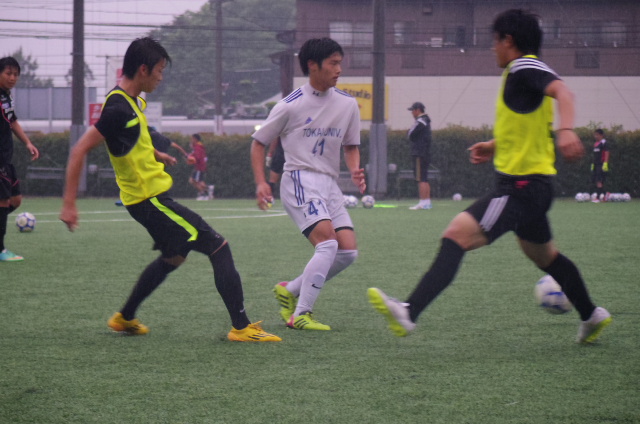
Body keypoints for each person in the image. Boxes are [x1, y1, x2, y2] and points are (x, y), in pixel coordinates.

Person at [368, 9, 611, 345]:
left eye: (494, 41)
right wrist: (494, 145)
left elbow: (565, 93)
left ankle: (409, 311)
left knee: (456, 235)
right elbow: (529, 129)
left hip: (520, 188)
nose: (492, 48)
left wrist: (567, 129)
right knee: (546, 257)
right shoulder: (521, 75)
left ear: (508, 40)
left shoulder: (524, 66)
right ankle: (591, 315)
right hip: (534, 188)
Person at [59, 37, 280, 342]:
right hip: (149, 201)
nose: (161, 77)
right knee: (219, 246)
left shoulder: (131, 101)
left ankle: (124, 317)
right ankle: (242, 328)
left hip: (146, 199)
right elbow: (78, 150)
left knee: (175, 256)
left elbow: (129, 140)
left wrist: (156, 153)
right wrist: (69, 204)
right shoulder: (118, 108)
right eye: (160, 71)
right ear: (143, 69)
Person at [250, 37, 366, 331]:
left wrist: (355, 169)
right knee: (327, 244)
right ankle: (301, 314)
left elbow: (351, 145)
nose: (339, 69)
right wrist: (261, 182)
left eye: (340, 63)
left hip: (329, 183)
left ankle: (289, 291)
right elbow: (258, 143)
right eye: (333, 63)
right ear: (312, 65)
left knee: (347, 252)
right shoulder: (290, 105)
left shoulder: (348, 104)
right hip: (299, 179)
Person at [0, 56, 40, 262]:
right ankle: (0, 250)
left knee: (15, 200)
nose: (12, 78)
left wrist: (27, 143)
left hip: (6, 158)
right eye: (8, 73)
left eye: (16, 74)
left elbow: (12, 120)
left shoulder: (6, 97)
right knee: (3, 201)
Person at [406, 101, 433, 210]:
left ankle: (422, 202)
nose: (412, 113)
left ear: (417, 110)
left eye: (412, 110)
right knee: (424, 178)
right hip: (425, 152)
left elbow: (410, 134)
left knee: (420, 178)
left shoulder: (421, 121)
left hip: (419, 153)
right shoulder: (426, 120)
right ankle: (427, 202)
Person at [187, 133, 214, 200]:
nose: (191, 140)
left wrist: (191, 158)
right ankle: (208, 189)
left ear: (195, 139)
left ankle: (203, 194)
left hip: (199, 167)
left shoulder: (198, 147)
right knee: (196, 181)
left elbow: (197, 157)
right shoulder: (197, 146)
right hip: (199, 166)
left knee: (194, 181)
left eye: (192, 139)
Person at [591, 128, 609, 203]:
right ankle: (605, 195)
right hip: (596, 164)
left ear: (601, 135)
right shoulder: (595, 144)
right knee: (596, 180)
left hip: (601, 164)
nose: (595, 136)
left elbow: (607, 152)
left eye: (597, 135)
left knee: (599, 181)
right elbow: (595, 155)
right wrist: (593, 163)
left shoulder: (604, 142)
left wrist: (605, 163)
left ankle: (598, 197)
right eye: (595, 135)